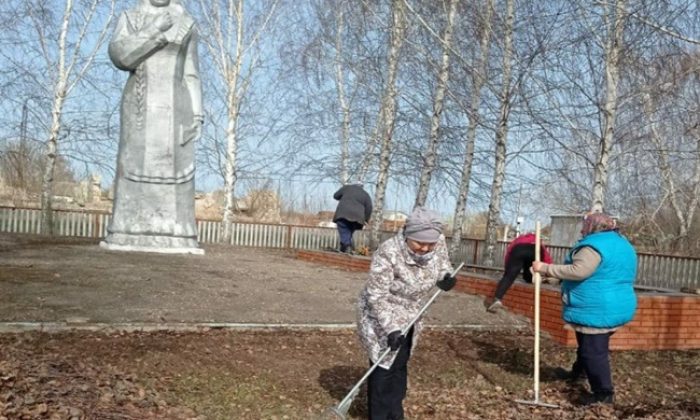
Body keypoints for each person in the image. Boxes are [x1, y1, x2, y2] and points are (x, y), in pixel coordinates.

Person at [103, 0, 204, 252]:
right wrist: (154, 29)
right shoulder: (130, 17)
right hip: (139, 109)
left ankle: (177, 232)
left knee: (178, 170)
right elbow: (121, 57)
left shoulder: (187, 22)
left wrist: (197, 114)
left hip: (177, 110)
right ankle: (127, 228)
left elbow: (191, 73)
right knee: (135, 162)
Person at [356, 206, 457, 419]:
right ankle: (380, 415)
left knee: (400, 363)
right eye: (419, 242)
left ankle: (395, 413)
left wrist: (446, 276)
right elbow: (376, 295)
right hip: (382, 314)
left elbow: (443, 265)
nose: (425, 248)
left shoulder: (436, 243)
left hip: (411, 313)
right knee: (383, 368)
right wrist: (391, 329)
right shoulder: (388, 252)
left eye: (430, 244)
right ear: (408, 235)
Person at [532, 212, 637, 405]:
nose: (582, 229)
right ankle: (578, 374)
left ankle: (603, 394)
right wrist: (551, 277)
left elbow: (579, 271)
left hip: (597, 307)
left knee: (593, 352)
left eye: (585, 225)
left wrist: (545, 268)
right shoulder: (622, 244)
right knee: (587, 345)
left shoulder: (593, 246)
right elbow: (596, 273)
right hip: (616, 304)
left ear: (594, 226)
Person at [486, 232, 553, 312]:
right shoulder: (538, 241)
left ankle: (497, 299)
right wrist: (549, 271)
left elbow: (509, 253)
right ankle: (534, 278)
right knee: (530, 270)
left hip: (519, 249)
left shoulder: (519, 239)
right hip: (536, 250)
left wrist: (508, 271)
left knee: (509, 277)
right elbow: (546, 257)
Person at [332, 183, 372, 253]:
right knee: (348, 231)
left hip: (343, 214)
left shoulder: (347, 188)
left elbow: (335, 196)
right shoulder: (366, 194)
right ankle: (344, 247)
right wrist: (366, 219)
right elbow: (369, 207)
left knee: (344, 229)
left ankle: (347, 246)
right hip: (358, 218)